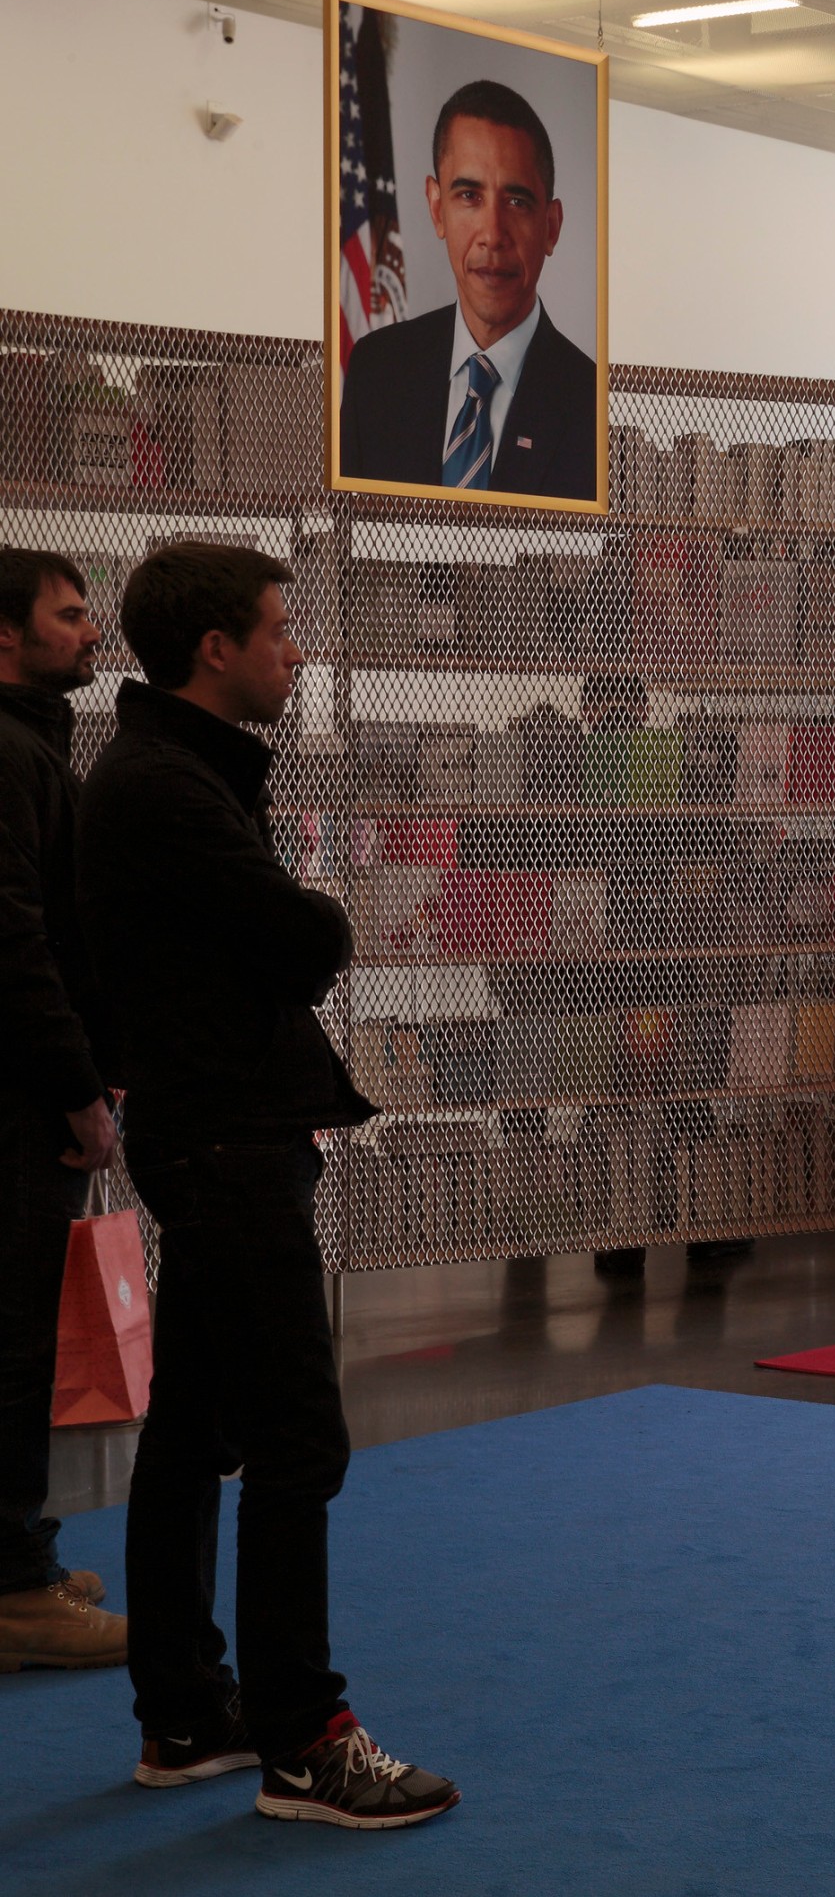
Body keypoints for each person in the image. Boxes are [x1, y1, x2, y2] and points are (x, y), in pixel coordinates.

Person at [80, 541, 457, 1826]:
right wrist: (320, 916)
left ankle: (186, 1711)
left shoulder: (178, 774)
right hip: (227, 1139)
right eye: (279, 630)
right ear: (214, 650)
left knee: (196, 1428)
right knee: (299, 1438)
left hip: (222, 1128)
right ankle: (307, 1739)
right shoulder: (165, 791)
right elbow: (305, 941)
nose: (295, 649)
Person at [0, 548, 130, 1673]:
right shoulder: (10, 754)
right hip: (15, 1104)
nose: (92, 633)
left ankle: (21, 1553)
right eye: (70, 615)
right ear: (7, 637)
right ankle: (14, 1591)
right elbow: (18, 944)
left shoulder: (32, 743)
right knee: (9, 1341)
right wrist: (78, 1086)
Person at [338, 79, 599, 501]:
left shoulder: (594, 406)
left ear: (551, 227)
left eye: (516, 202)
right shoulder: (375, 374)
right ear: (437, 208)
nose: (492, 235)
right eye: (469, 195)